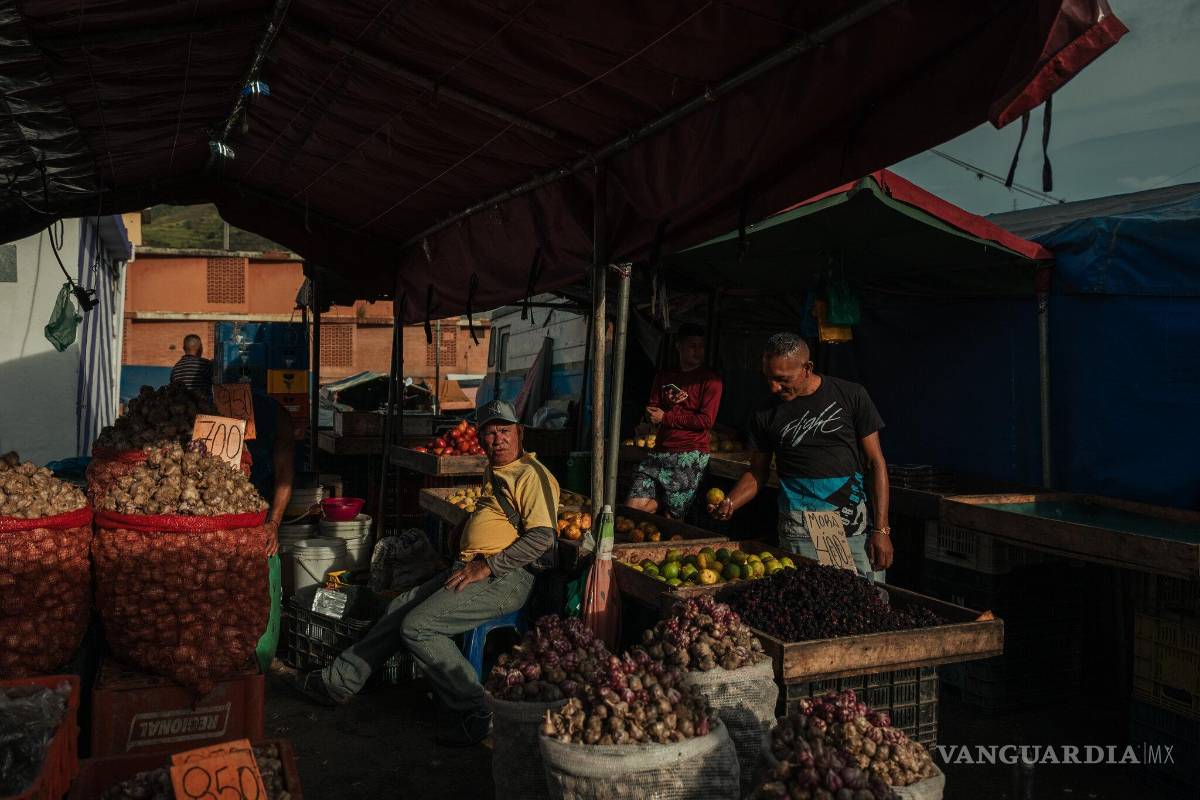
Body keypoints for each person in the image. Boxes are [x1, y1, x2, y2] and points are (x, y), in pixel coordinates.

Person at [291, 400, 560, 747]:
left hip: (506, 577)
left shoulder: (531, 475)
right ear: (481, 439)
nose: (498, 440)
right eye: (490, 433)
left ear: (519, 433)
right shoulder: (495, 470)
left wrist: (487, 565)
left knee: (418, 627)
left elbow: (542, 537)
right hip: (469, 569)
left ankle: (479, 709)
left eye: (505, 431)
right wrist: (467, 526)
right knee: (400, 605)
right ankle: (339, 681)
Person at [709, 332, 893, 579]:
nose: (774, 387)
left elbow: (875, 462)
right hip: (801, 528)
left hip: (852, 526)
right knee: (814, 601)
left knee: (866, 603)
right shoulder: (765, 413)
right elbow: (757, 471)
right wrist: (731, 502)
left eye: (782, 379)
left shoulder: (851, 396)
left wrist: (881, 530)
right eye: (768, 378)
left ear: (807, 368)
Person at [626, 323, 723, 518]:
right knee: (632, 507)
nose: (698, 351)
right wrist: (666, 406)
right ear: (678, 346)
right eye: (692, 346)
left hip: (689, 455)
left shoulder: (711, 381)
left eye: (701, 346)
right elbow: (651, 412)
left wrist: (667, 416)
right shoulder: (664, 376)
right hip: (660, 451)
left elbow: (706, 421)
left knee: (671, 517)